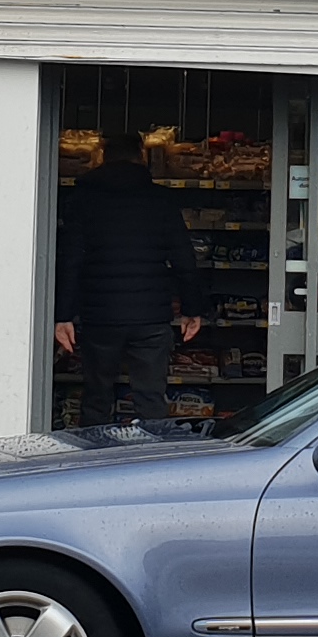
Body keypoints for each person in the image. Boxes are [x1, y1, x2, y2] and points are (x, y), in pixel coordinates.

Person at [51, 139, 208, 428]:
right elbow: (184, 258)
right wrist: (192, 309)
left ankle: (94, 463)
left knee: (97, 398)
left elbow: (70, 260)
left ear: (103, 159)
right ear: (142, 158)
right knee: (151, 399)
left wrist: (63, 315)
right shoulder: (160, 199)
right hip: (151, 316)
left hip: (100, 316)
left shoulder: (83, 200)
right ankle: (152, 463)